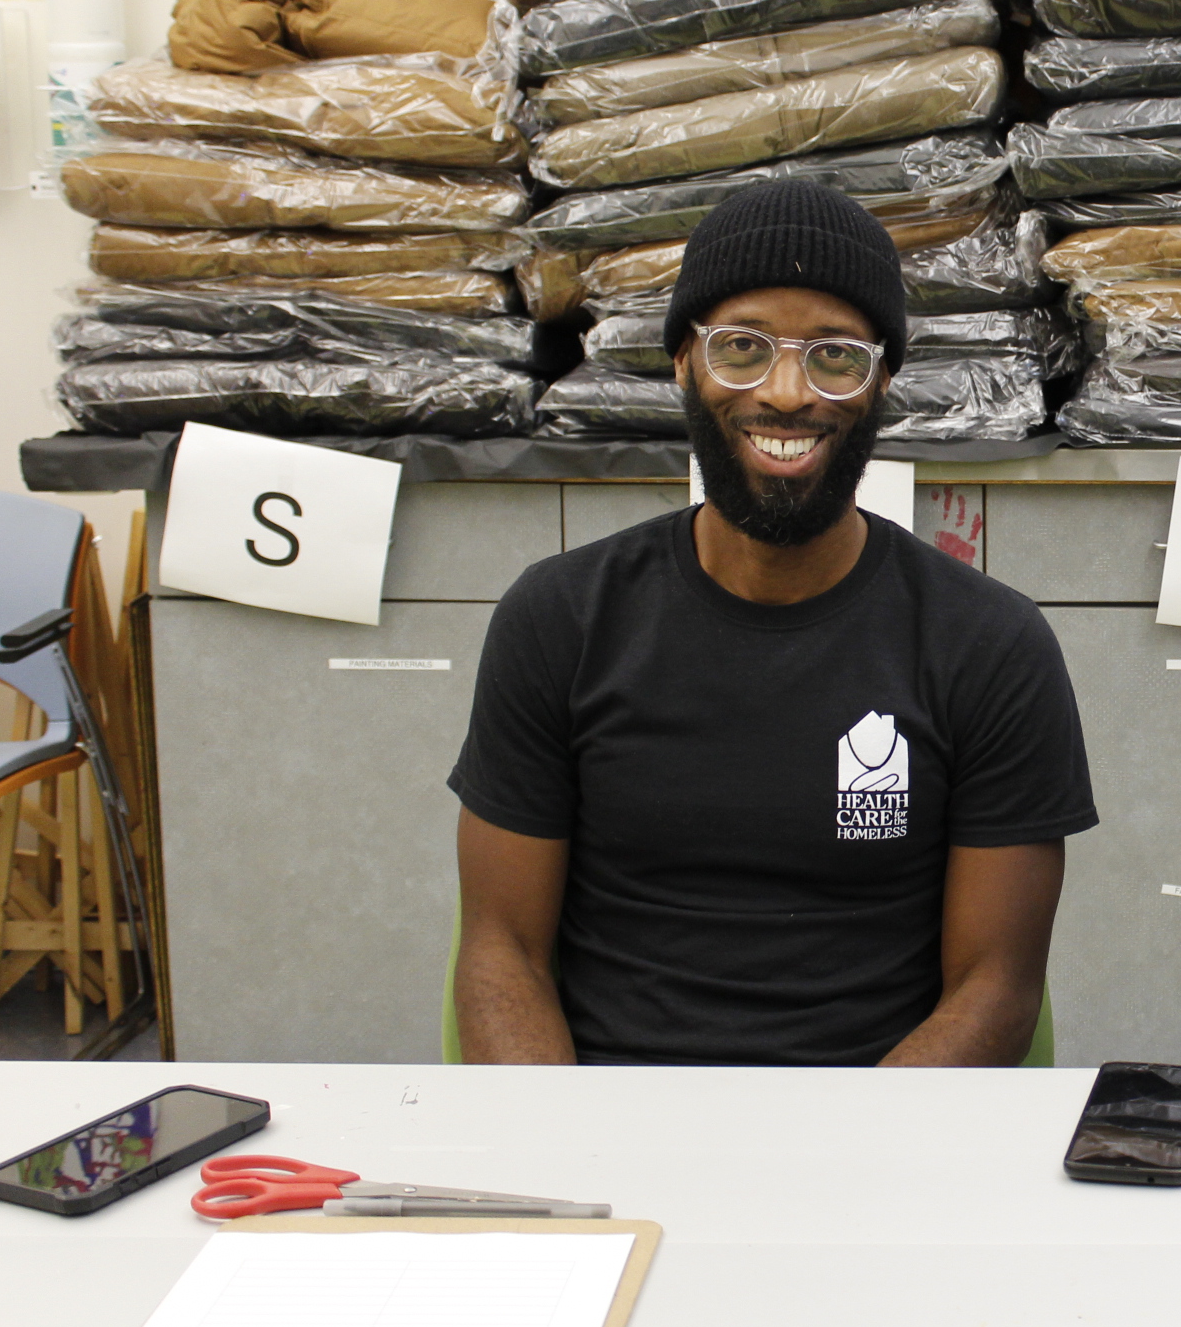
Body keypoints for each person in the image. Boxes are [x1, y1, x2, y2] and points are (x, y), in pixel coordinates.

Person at [450, 180, 1098, 1066]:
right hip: (609, 1147)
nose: (788, 393)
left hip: (870, 1150)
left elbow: (995, 992)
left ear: (884, 382)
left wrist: (833, 1184)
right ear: (683, 361)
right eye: (742, 348)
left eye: (835, 355)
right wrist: (575, 1168)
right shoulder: (560, 620)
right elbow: (502, 955)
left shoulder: (988, 646)